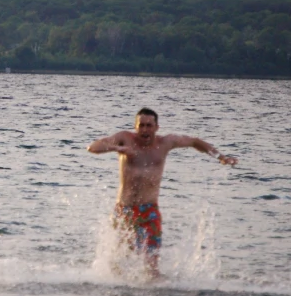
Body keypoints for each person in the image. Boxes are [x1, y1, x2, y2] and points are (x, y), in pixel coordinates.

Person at [87, 108, 237, 277]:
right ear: (135, 127)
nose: (144, 130)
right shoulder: (125, 138)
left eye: (149, 125)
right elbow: (93, 147)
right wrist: (117, 148)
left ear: (157, 127)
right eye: (141, 126)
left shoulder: (165, 143)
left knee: (151, 266)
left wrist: (221, 157)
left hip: (149, 212)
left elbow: (195, 142)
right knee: (119, 262)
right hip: (125, 210)